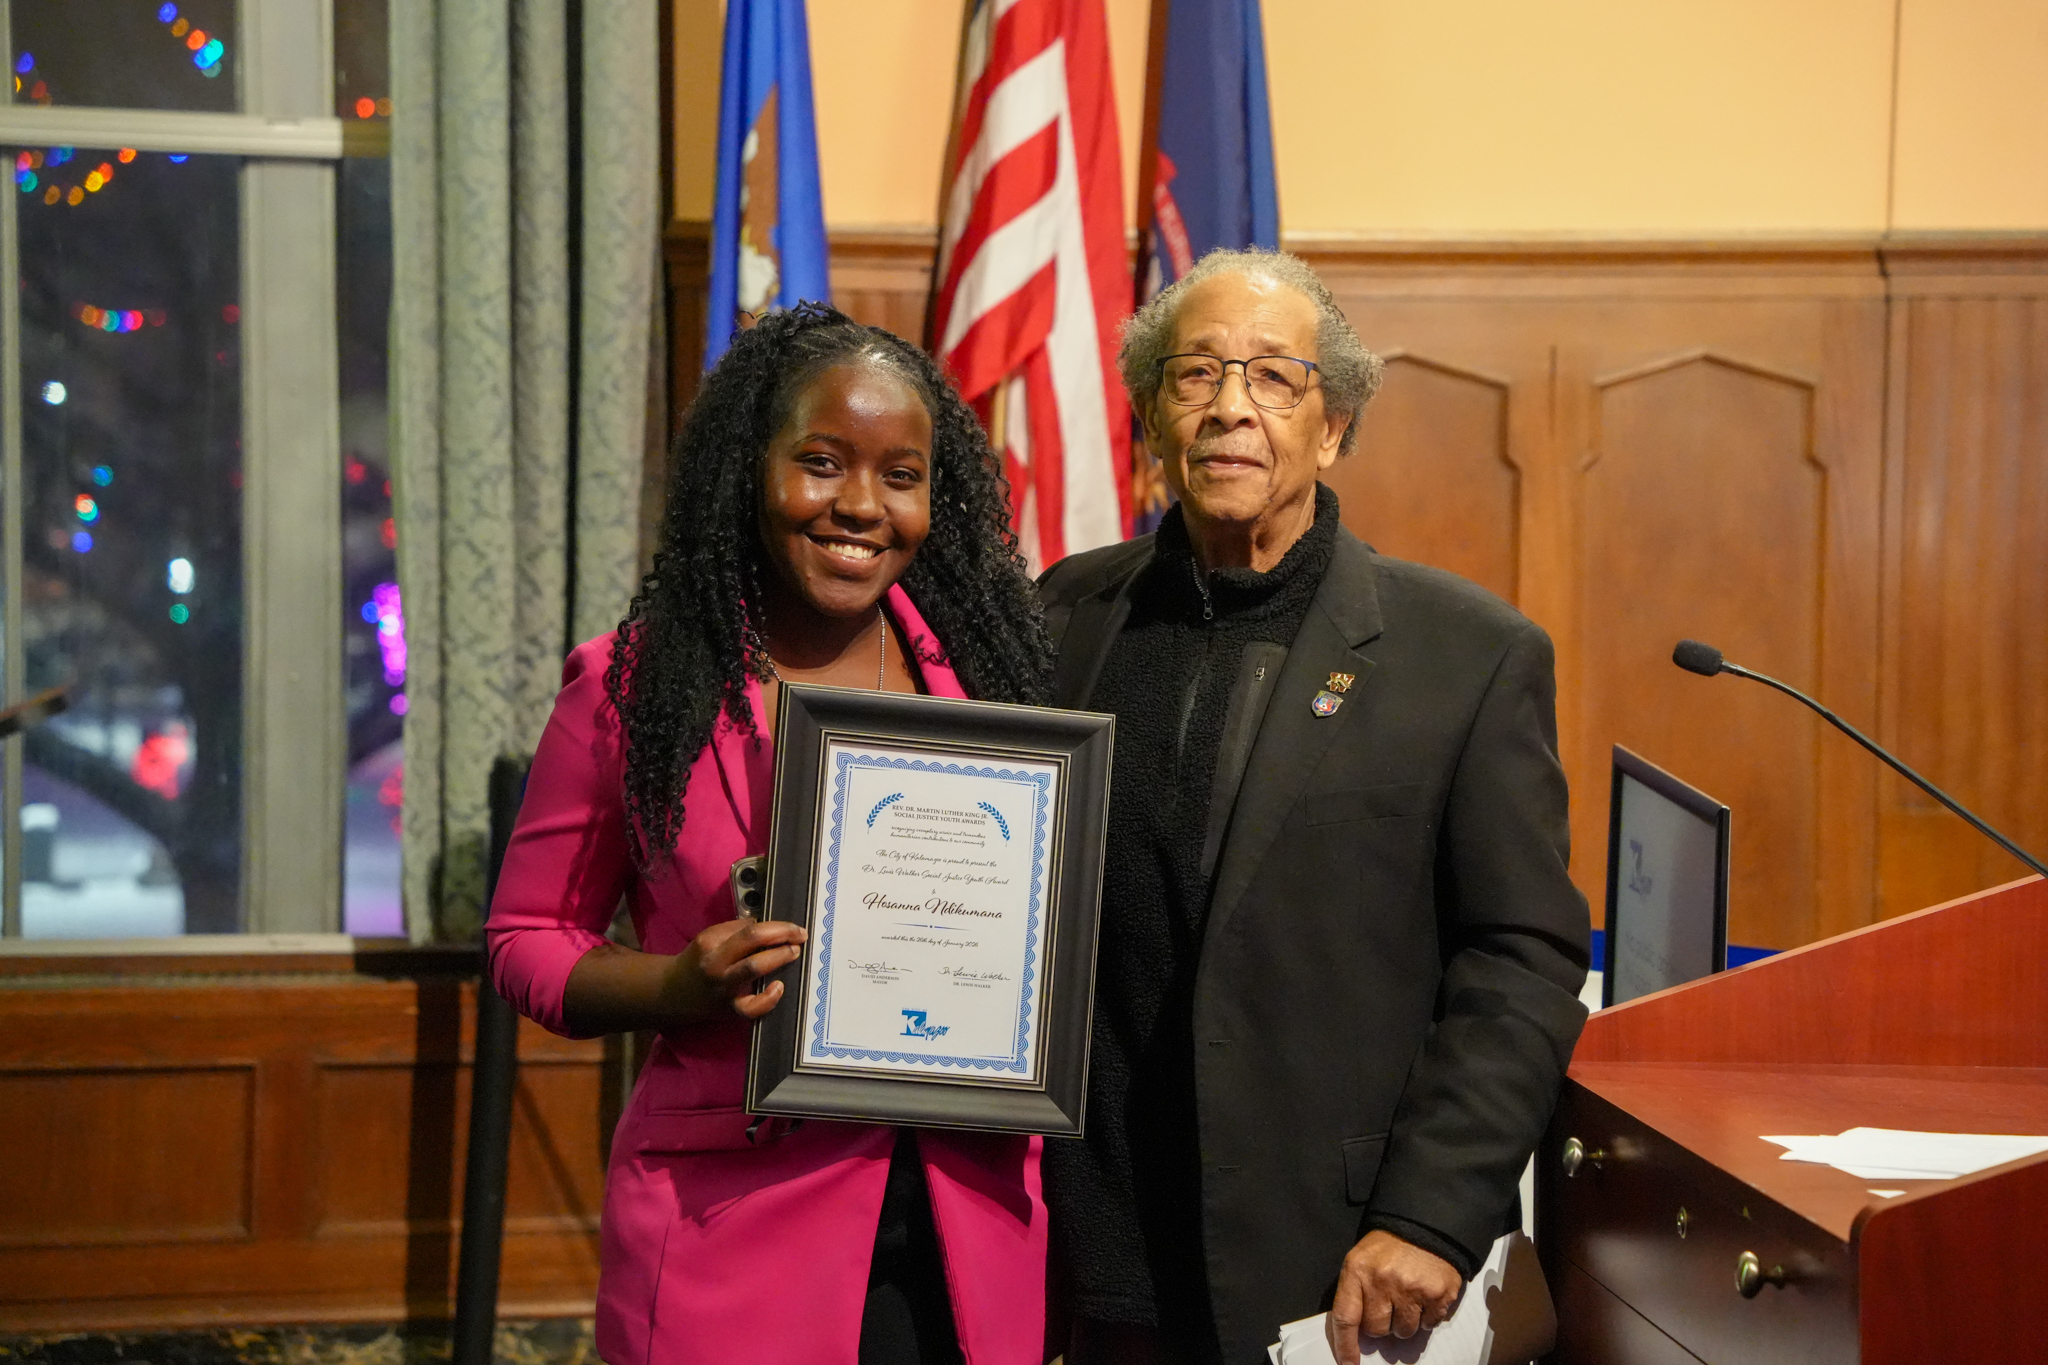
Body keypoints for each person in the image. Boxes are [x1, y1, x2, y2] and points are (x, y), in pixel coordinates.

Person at [1037, 249, 1591, 1365]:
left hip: (1327, 1264)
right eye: (1196, 373)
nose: (1229, 407)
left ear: (1332, 427)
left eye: (1273, 377)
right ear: (1151, 416)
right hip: (1086, 1250)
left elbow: (1519, 958)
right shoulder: (1063, 615)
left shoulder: (1466, 657)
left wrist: (1429, 1214)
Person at [486, 303, 1056, 1365]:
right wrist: (674, 987)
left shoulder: (991, 687)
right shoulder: (630, 688)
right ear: (753, 468)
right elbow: (524, 939)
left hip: (961, 1237)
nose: (861, 505)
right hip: (731, 1228)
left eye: (900, 475)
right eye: (821, 462)